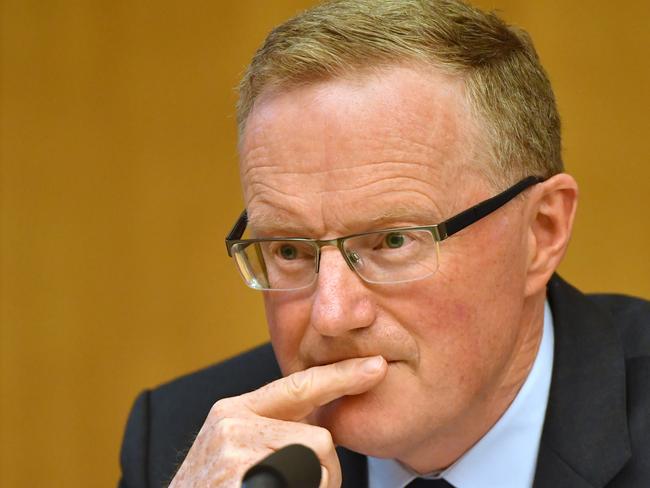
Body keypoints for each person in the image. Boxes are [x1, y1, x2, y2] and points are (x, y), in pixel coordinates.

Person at [118, 1, 650, 487]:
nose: (331, 315)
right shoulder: (197, 445)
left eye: (393, 241)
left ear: (541, 233)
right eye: (289, 250)